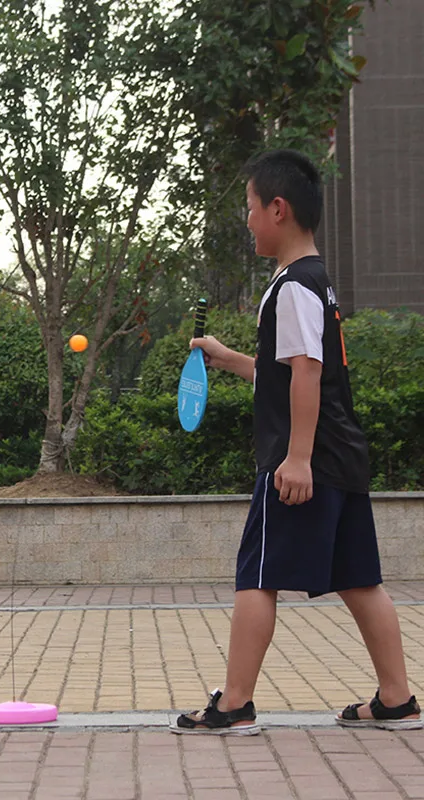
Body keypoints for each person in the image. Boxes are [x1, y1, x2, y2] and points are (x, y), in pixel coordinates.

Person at [171, 149, 421, 736]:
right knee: (361, 578)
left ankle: (233, 705)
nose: (248, 220)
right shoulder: (315, 283)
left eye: (251, 209)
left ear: (277, 209)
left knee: (257, 576)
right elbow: (288, 373)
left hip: (303, 460)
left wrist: (297, 458)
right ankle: (397, 699)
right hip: (341, 455)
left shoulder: (293, 287)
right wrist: (228, 358)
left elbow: (306, 373)